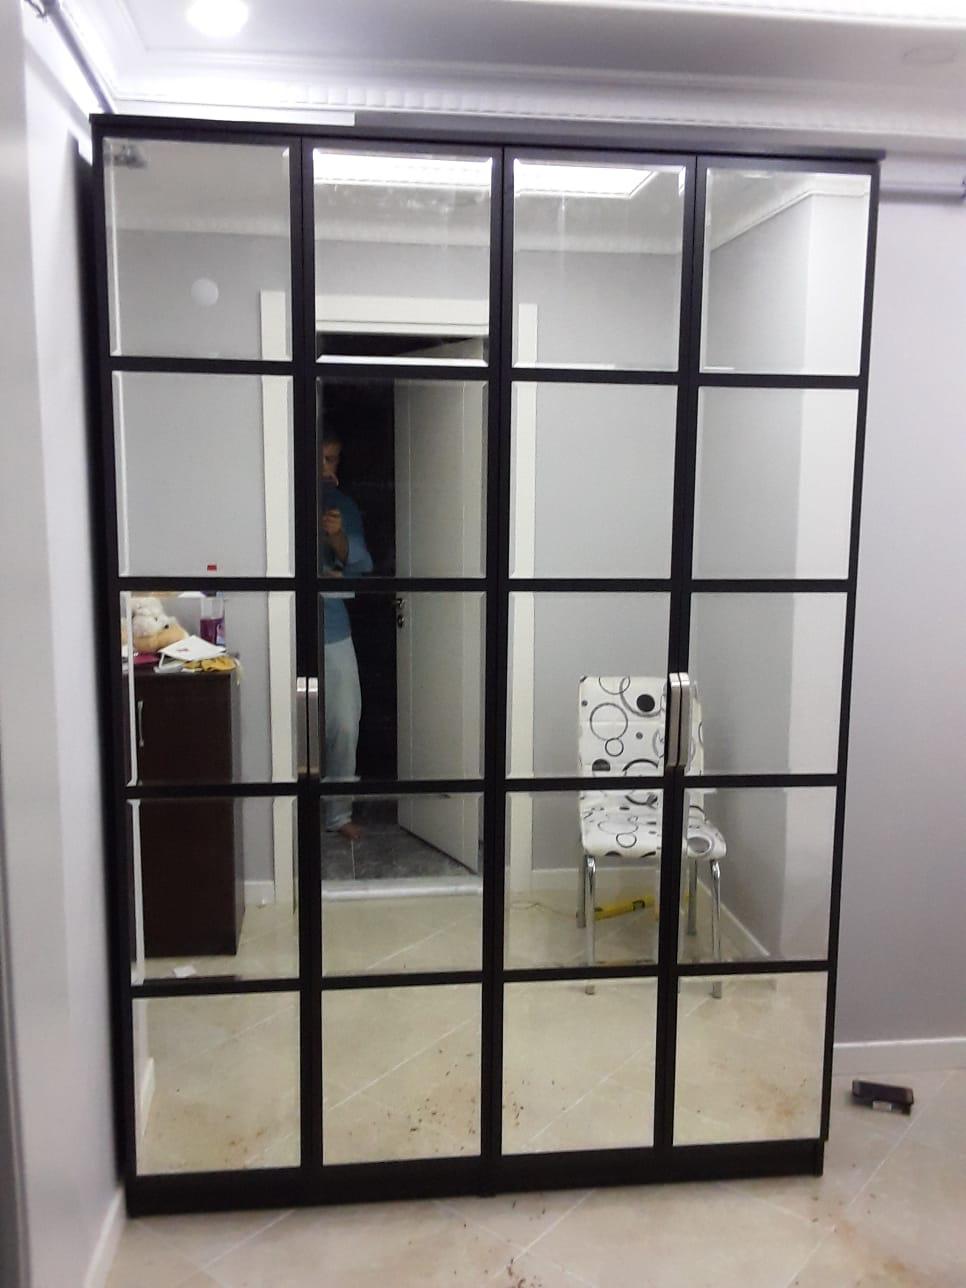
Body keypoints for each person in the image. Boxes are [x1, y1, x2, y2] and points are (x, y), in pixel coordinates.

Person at [320, 429, 372, 839]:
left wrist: (336, 535)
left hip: (332, 624)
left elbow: (361, 565)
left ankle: (337, 814)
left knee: (343, 722)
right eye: (320, 458)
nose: (326, 466)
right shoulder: (282, 497)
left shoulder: (343, 506)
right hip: (282, 626)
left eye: (332, 458)